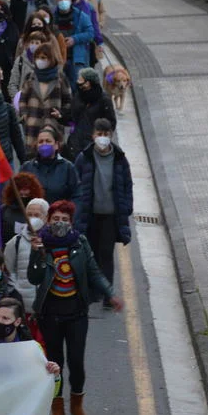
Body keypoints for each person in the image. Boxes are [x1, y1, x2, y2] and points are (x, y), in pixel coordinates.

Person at [28, 200, 122, 415]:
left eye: (64, 220)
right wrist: (37, 255)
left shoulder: (80, 243)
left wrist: (110, 293)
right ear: (48, 221)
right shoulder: (41, 244)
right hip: (49, 314)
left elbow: (93, 271)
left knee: (76, 362)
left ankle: (77, 406)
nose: (60, 223)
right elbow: (34, 278)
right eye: (55, 219)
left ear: (71, 222)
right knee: (54, 363)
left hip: (76, 313)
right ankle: (57, 410)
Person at [73, 118, 133, 309]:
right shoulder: (84, 158)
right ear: (93, 135)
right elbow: (76, 184)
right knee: (90, 254)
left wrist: (126, 207)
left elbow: (127, 185)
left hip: (110, 215)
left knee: (106, 255)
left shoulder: (120, 158)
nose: (103, 138)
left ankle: (108, 295)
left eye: (106, 134)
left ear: (111, 135)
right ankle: (93, 292)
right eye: (99, 134)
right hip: (89, 214)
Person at [11, 44, 73, 158]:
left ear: (51, 59)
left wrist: (61, 114)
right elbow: (22, 99)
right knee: (32, 158)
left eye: (43, 58)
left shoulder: (60, 78)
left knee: (53, 157)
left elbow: (68, 101)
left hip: (53, 125)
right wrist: (24, 115)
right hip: (33, 125)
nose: (40, 60)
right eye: (38, 57)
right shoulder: (30, 77)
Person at [4, 198, 50, 313]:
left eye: (37, 215)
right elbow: (8, 270)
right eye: (29, 214)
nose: (32, 218)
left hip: (47, 305)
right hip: (22, 304)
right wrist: (16, 288)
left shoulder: (52, 241)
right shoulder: (15, 242)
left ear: (46, 218)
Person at [66, 66, 117, 160]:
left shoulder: (104, 100)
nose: (78, 82)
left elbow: (111, 122)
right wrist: (60, 117)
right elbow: (72, 117)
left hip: (93, 144)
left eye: (80, 80)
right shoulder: (78, 96)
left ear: (88, 83)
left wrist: (101, 138)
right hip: (76, 142)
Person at [21, 125, 80, 204]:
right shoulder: (27, 167)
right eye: (41, 142)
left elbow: (77, 195)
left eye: (48, 141)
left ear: (56, 145)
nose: (44, 144)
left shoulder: (68, 167)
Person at [51, 0, 95, 90]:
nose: (63, 1)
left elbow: (90, 33)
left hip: (76, 59)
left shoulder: (81, 16)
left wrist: (75, 39)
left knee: (78, 86)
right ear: (56, 1)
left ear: (71, 0)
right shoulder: (52, 18)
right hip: (58, 59)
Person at [0, 171, 45, 246]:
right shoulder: (4, 210)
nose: (22, 192)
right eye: (19, 189)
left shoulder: (40, 210)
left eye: (26, 189)